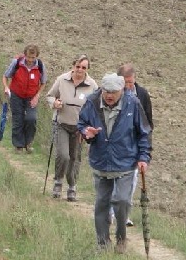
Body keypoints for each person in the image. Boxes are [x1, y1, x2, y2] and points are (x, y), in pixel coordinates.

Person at [77, 73, 152, 254]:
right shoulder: (91, 101)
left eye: (114, 92)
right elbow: (81, 123)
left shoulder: (132, 103)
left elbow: (144, 132)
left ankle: (121, 237)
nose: (109, 95)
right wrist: (87, 131)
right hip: (101, 160)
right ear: (101, 89)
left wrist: (143, 157)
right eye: (106, 91)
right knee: (102, 203)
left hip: (125, 161)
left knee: (122, 200)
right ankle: (102, 244)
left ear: (122, 90)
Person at [46, 54, 98, 201]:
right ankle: (58, 182)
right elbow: (50, 96)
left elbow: (96, 108)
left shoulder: (92, 85)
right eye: (77, 66)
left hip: (79, 128)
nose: (80, 70)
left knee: (74, 158)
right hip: (61, 123)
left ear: (87, 69)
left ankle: (72, 186)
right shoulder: (62, 79)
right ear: (73, 66)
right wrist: (54, 103)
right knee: (63, 155)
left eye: (83, 67)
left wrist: (88, 127)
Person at [110, 63, 154, 226]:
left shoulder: (142, 94)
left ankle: (123, 214)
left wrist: (146, 152)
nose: (129, 85)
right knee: (114, 178)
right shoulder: (112, 94)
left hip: (135, 145)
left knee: (131, 180)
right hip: (116, 145)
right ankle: (111, 212)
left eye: (131, 82)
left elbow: (148, 124)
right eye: (126, 82)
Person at [2, 44, 46, 154]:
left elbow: (43, 82)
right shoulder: (16, 63)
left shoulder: (40, 65)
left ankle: (28, 143)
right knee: (18, 119)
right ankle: (18, 146)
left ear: (36, 56)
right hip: (16, 94)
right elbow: (5, 76)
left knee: (31, 118)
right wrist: (6, 87)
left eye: (33, 57)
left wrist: (37, 96)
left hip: (31, 96)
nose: (30, 60)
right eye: (28, 57)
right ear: (25, 55)